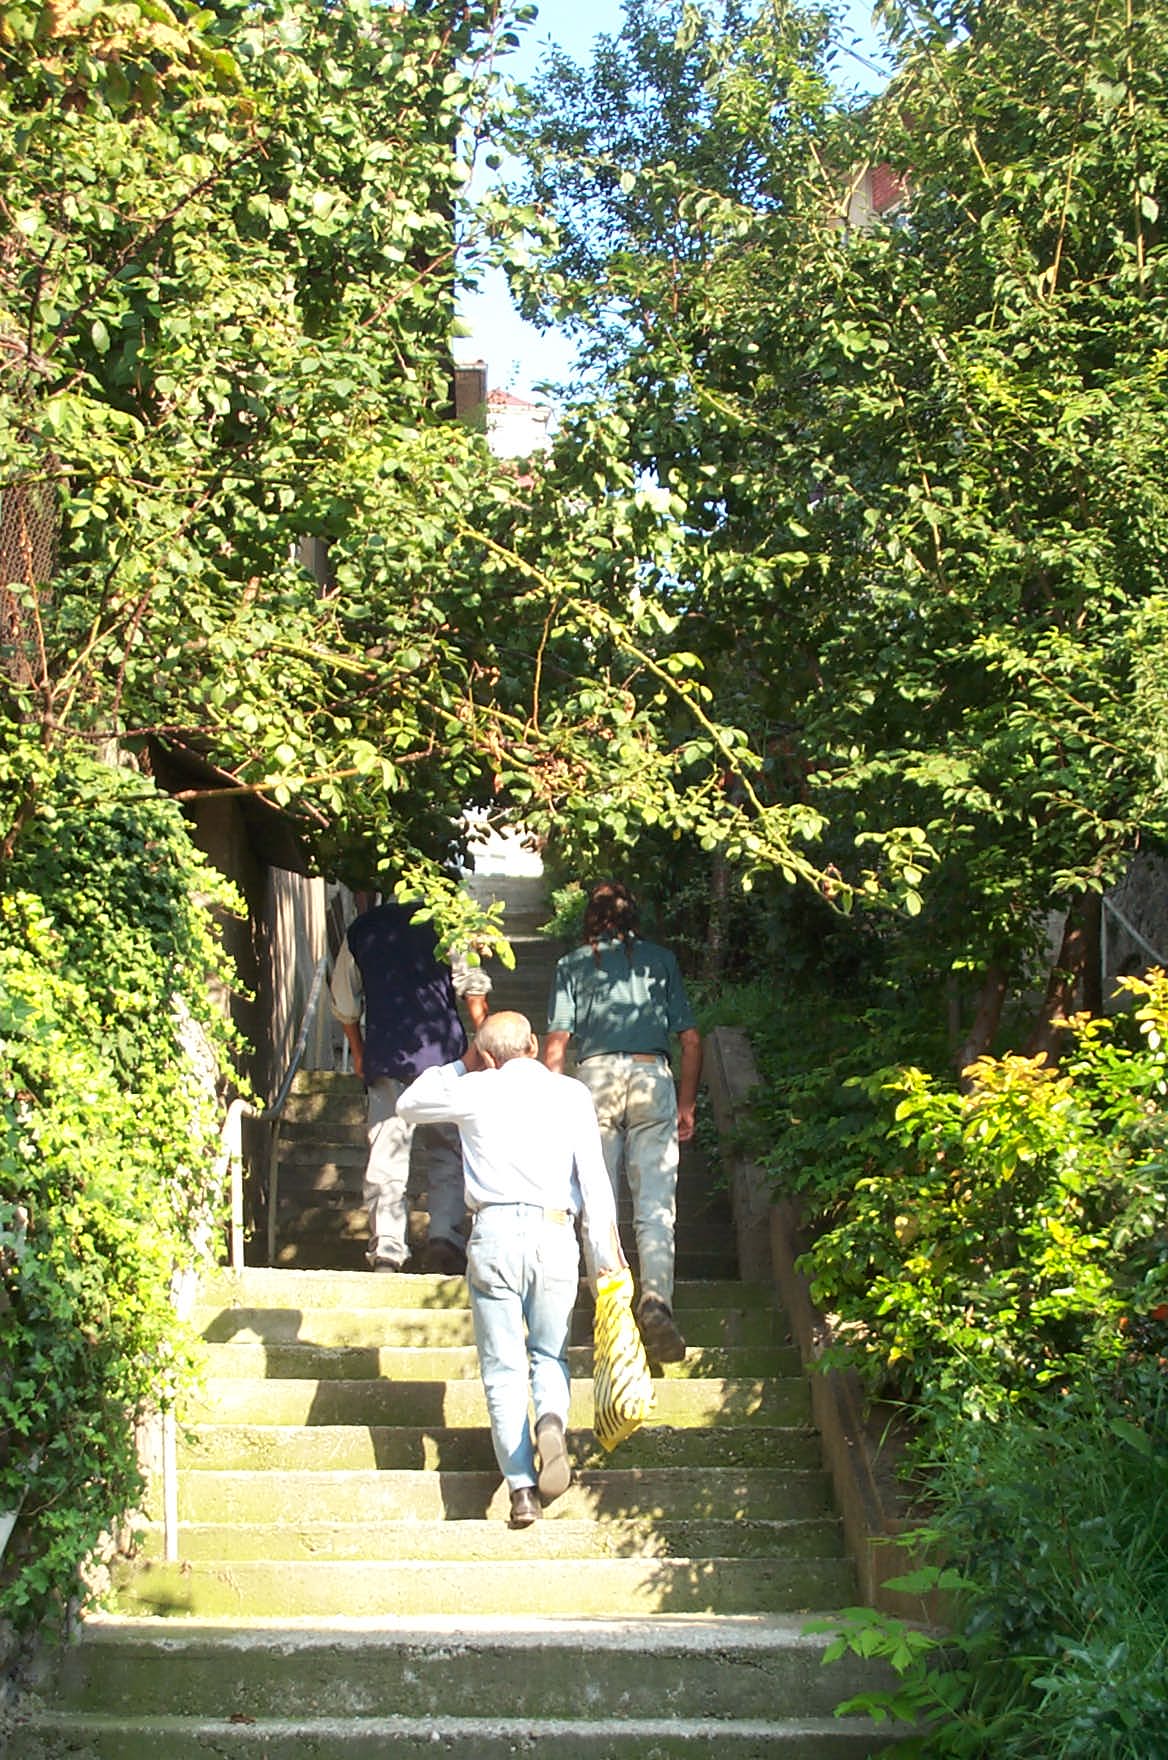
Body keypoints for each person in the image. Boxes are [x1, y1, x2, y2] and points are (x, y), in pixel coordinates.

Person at [396, 1010, 625, 1528]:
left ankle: (521, 1489)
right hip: (555, 1232)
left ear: (486, 1055)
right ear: (535, 1045)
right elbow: (595, 1181)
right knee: (550, 1354)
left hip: (495, 1234)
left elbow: (408, 1103)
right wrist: (606, 1260)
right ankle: (551, 1420)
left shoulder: (475, 1088)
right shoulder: (571, 1094)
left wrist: (462, 1064)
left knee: (502, 1369)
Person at [543, 880, 702, 1366]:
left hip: (594, 1080)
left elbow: (556, 1046)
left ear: (589, 916)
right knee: (655, 1204)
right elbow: (691, 1040)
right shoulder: (661, 961)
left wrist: (551, 1107)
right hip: (653, 1075)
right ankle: (656, 1302)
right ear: (635, 913)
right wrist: (687, 1105)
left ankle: (609, 1314)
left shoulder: (572, 964)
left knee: (597, 1201)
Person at [329, 892, 491, 1275]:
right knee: (447, 1152)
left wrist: (357, 1051)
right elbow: (472, 986)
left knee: (386, 1156)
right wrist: (485, 1039)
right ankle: (444, 1241)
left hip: (386, 1054)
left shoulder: (362, 930)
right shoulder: (446, 925)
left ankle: (387, 1248)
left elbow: (344, 1000)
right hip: (443, 1057)